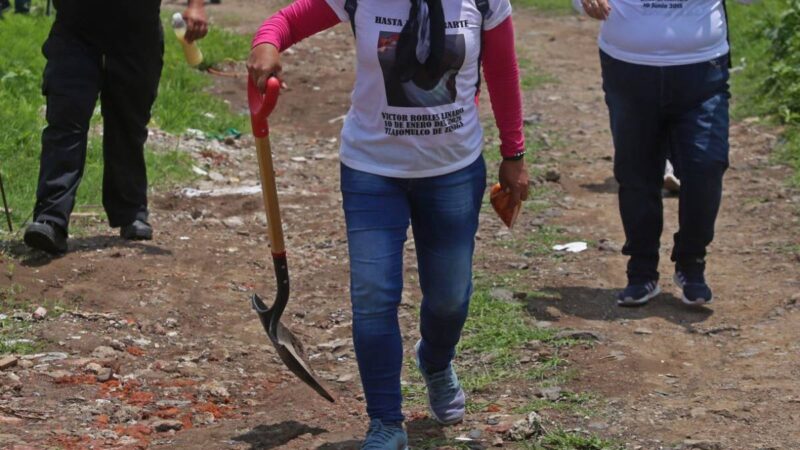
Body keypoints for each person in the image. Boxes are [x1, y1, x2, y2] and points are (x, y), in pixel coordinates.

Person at [248, 0, 528, 447]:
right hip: (371, 171)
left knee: (450, 297)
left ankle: (435, 362)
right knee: (373, 294)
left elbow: (503, 70)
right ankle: (385, 422)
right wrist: (266, 43)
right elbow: (286, 20)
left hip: (453, 171)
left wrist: (514, 153)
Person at [23, 0, 209, 255]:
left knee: (128, 123)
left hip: (136, 31)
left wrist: (196, 6)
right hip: (76, 29)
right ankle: (50, 219)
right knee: (66, 119)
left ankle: (131, 212)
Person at [576, 0, 730, 306]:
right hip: (628, 67)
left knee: (706, 166)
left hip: (702, 69)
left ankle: (691, 265)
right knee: (636, 171)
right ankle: (641, 272)